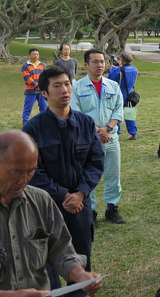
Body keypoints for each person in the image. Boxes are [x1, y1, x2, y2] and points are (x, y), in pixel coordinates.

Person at [22, 67, 104, 296]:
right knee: (47, 259)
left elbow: (96, 161)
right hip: (45, 207)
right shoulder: (33, 128)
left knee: (81, 255)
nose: (64, 90)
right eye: (56, 85)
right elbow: (33, 171)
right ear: (44, 93)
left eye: (67, 84)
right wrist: (63, 195)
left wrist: (80, 193)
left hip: (80, 205)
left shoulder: (86, 123)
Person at [0, 131, 102, 296]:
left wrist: (81, 275)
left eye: (31, 171)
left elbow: (60, 249)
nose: (24, 180)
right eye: (16, 172)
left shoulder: (41, 201)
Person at [70, 49, 126, 224]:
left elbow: (118, 109)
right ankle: (90, 211)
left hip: (111, 137)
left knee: (113, 174)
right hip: (87, 140)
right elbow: (76, 112)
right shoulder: (77, 87)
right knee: (88, 175)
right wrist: (97, 130)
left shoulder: (113, 86)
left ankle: (112, 208)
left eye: (102, 61)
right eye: (95, 61)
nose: (100, 65)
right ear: (86, 64)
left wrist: (107, 129)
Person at [107, 52, 139, 140]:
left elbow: (110, 78)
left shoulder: (118, 70)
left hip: (119, 94)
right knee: (129, 114)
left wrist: (113, 68)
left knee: (116, 114)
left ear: (123, 60)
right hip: (130, 94)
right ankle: (133, 133)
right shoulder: (134, 69)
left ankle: (117, 132)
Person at [21, 48, 47, 125]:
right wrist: (36, 85)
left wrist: (42, 86)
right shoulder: (25, 66)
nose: (36, 56)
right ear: (29, 55)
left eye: (37, 54)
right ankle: (25, 121)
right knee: (28, 107)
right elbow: (26, 77)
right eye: (34, 54)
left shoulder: (42, 65)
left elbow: (45, 76)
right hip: (30, 91)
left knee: (44, 106)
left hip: (42, 91)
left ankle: (44, 121)